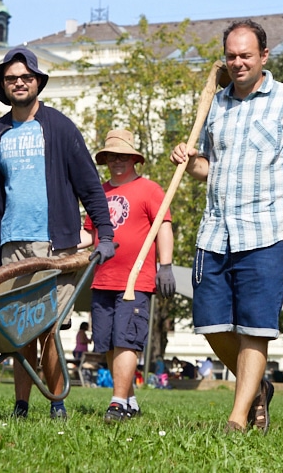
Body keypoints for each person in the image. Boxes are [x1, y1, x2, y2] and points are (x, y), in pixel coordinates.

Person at [170, 19, 283, 433]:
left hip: (266, 231)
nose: (237, 63)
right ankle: (257, 389)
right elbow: (209, 167)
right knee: (211, 324)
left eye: (246, 55)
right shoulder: (215, 104)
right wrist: (188, 158)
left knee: (255, 326)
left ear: (264, 57)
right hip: (215, 231)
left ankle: (237, 418)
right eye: (231, 56)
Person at [0, 46, 115, 420]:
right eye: (11, 79)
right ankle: (21, 406)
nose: (19, 83)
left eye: (25, 77)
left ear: (37, 82)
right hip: (12, 244)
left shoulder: (59, 127)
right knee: (19, 331)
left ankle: (57, 404)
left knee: (48, 328)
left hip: (53, 243)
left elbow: (89, 184)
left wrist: (105, 231)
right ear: (3, 87)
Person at [81, 128, 176, 422]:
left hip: (135, 280)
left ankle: (118, 402)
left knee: (126, 339)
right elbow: (88, 233)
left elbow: (164, 226)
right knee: (108, 342)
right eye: (112, 157)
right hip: (102, 278)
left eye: (123, 156)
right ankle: (129, 401)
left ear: (134, 159)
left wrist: (166, 265)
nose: (117, 161)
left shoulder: (150, 189)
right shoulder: (100, 191)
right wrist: (59, 245)